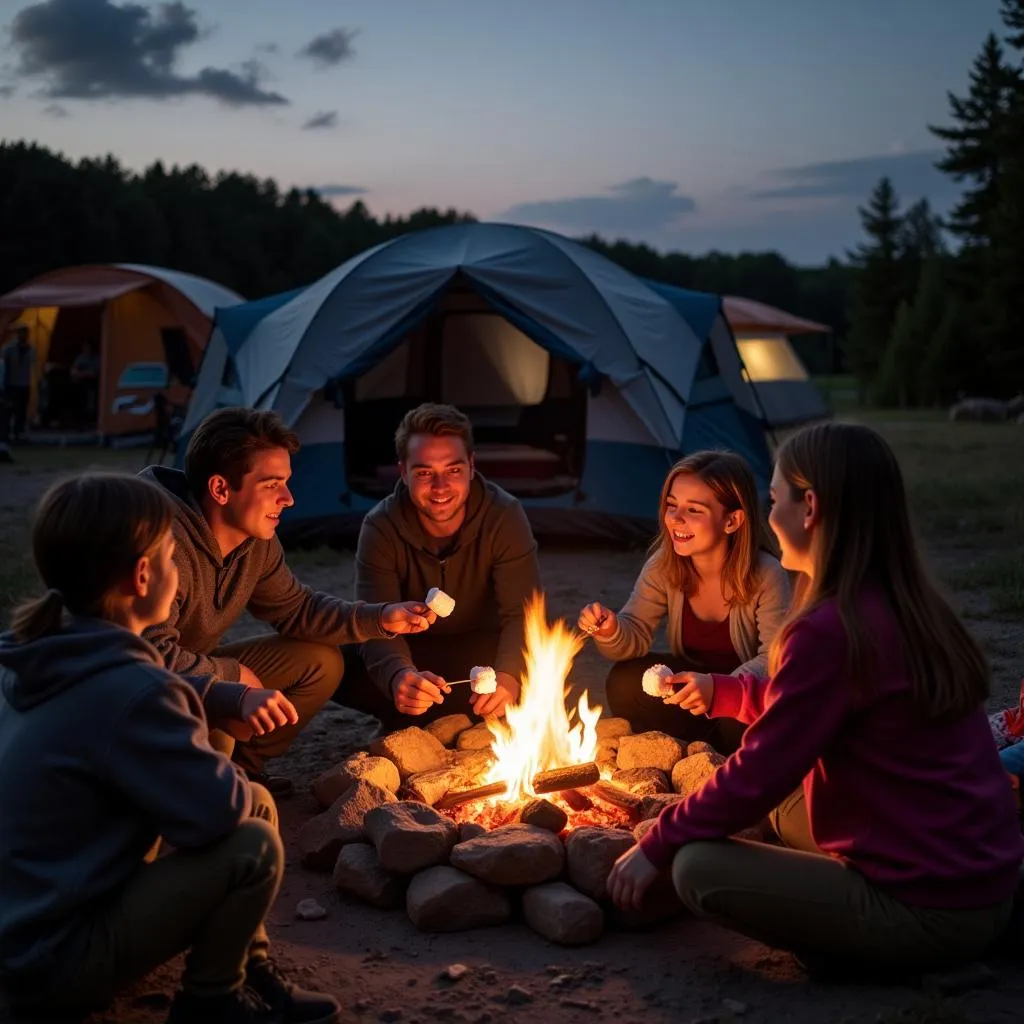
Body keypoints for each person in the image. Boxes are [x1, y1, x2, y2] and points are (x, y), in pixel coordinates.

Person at [607, 422, 1024, 976]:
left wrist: (659, 842)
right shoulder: (900, 601)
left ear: (811, 508)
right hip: (975, 875)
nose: (769, 516)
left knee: (696, 867)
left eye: (775, 499)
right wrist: (724, 693)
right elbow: (807, 704)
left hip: (930, 907)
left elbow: (762, 770)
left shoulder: (831, 627)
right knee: (788, 807)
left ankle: (875, 951)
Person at [0, 473, 341, 1023]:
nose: (178, 570)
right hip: (53, 962)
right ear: (142, 576)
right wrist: (205, 712)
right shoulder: (134, 690)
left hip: (23, 923)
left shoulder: (33, 654)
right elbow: (216, 818)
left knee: (255, 799)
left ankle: (243, 964)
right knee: (252, 843)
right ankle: (210, 1003)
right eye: (170, 556)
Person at [142, 407, 433, 796]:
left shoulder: (257, 541)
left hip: (197, 672)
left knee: (320, 660)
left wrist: (382, 618)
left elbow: (298, 610)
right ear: (220, 489)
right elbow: (145, 658)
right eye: (272, 484)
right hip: (140, 693)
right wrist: (232, 677)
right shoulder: (159, 542)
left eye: (287, 482)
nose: (289, 499)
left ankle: (243, 771)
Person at [342, 402, 542, 730]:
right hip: (416, 657)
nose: (440, 487)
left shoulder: (504, 515)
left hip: (482, 654)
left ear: (471, 466)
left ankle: (460, 719)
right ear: (403, 472)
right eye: (424, 472)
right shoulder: (380, 526)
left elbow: (523, 613)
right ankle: (404, 709)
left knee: (542, 659)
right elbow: (376, 621)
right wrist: (398, 677)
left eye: (453, 470)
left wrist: (509, 676)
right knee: (339, 656)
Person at [577, 450, 789, 753]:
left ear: (732, 520)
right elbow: (633, 634)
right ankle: (684, 752)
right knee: (624, 680)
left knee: (743, 720)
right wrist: (610, 630)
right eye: (672, 505)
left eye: (694, 510)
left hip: (739, 694)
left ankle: (720, 756)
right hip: (689, 693)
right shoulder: (664, 564)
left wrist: (719, 689)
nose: (675, 519)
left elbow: (775, 659)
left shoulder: (767, 573)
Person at [1, 326, 35, 442]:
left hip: (24, 384)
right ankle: (6, 433)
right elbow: (4, 360)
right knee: (9, 410)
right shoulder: (10, 348)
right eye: (22, 333)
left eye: (26, 333)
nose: (24, 336)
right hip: (11, 384)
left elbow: (33, 362)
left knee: (21, 410)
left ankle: (18, 432)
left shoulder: (30, 349)